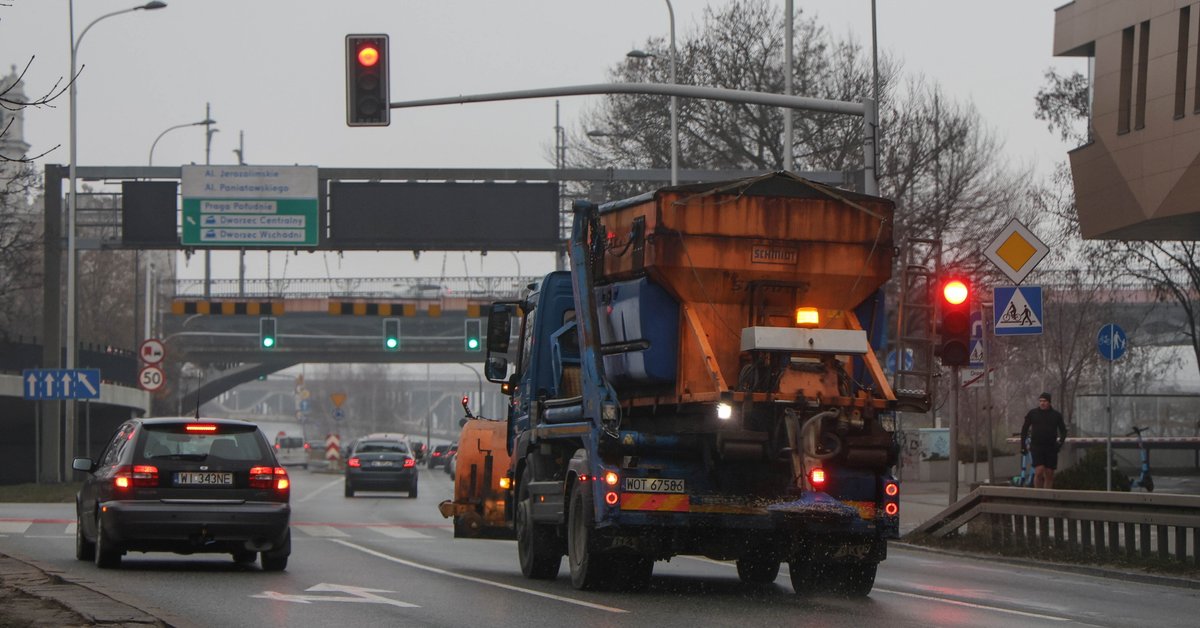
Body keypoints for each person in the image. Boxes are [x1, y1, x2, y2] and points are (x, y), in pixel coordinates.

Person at [1020, 392, 1068, 489]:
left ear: (1049, 402)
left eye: (1045, 401)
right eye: (1040, 401)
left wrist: (1060, 443)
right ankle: (1038, 495)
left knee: (1049, 474)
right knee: (1039, 471)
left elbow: (1063, 431)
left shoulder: (1056, 415)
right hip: (1037, 446)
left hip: (1051, 447)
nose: (1042, 403)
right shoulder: (1032, 413)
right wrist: (1023, 446)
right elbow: (1024, 430)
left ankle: (1047, 497)